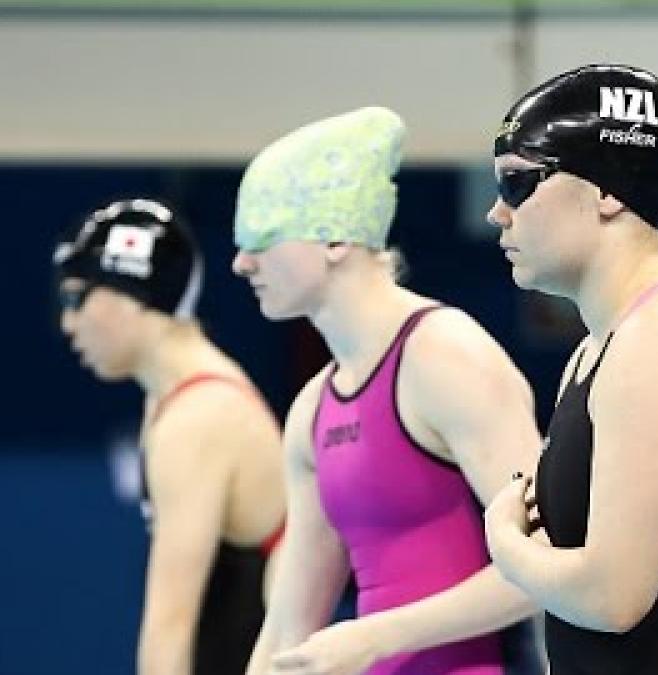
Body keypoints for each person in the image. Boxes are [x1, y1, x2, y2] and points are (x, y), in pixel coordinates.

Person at [233, 106, 542, 675]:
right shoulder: (312, 412)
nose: (241, 261)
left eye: (262, 235)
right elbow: (288, 629)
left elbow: (551, 565)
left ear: (333, 239)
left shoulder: (446, 358)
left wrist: (377, 636)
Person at [483, 64, 658, 675]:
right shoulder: (596, 349)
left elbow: (611, 598)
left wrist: (504, 542)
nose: (497, 214)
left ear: (608, 190)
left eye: (517, 183)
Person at [54, 198, 285, 675]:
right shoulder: (174, 398)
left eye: (78, 299)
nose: (67, 323)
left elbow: (171, 631)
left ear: (129, 297)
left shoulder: (198, 418)